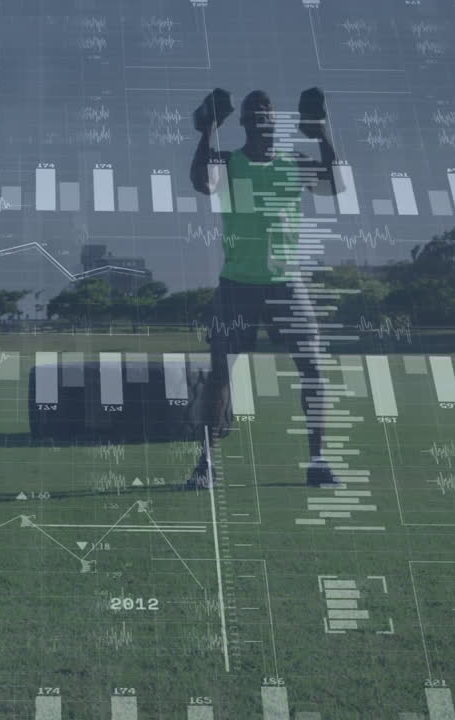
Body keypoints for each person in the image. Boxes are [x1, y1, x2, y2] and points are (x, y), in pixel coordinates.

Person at [186, 88, 341, 489]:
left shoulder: (295, 162)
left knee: (313, 369)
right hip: (237, 284)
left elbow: (333, 185)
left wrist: (321, 131)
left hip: (287, 284)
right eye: (252, 111)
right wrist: (208, 130)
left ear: (275, 120)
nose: (260, 116)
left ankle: (319, 462)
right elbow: (203, 183)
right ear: (242, 122)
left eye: (266, 111)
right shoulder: (228, 162)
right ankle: (205, 464)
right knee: (219, 373)